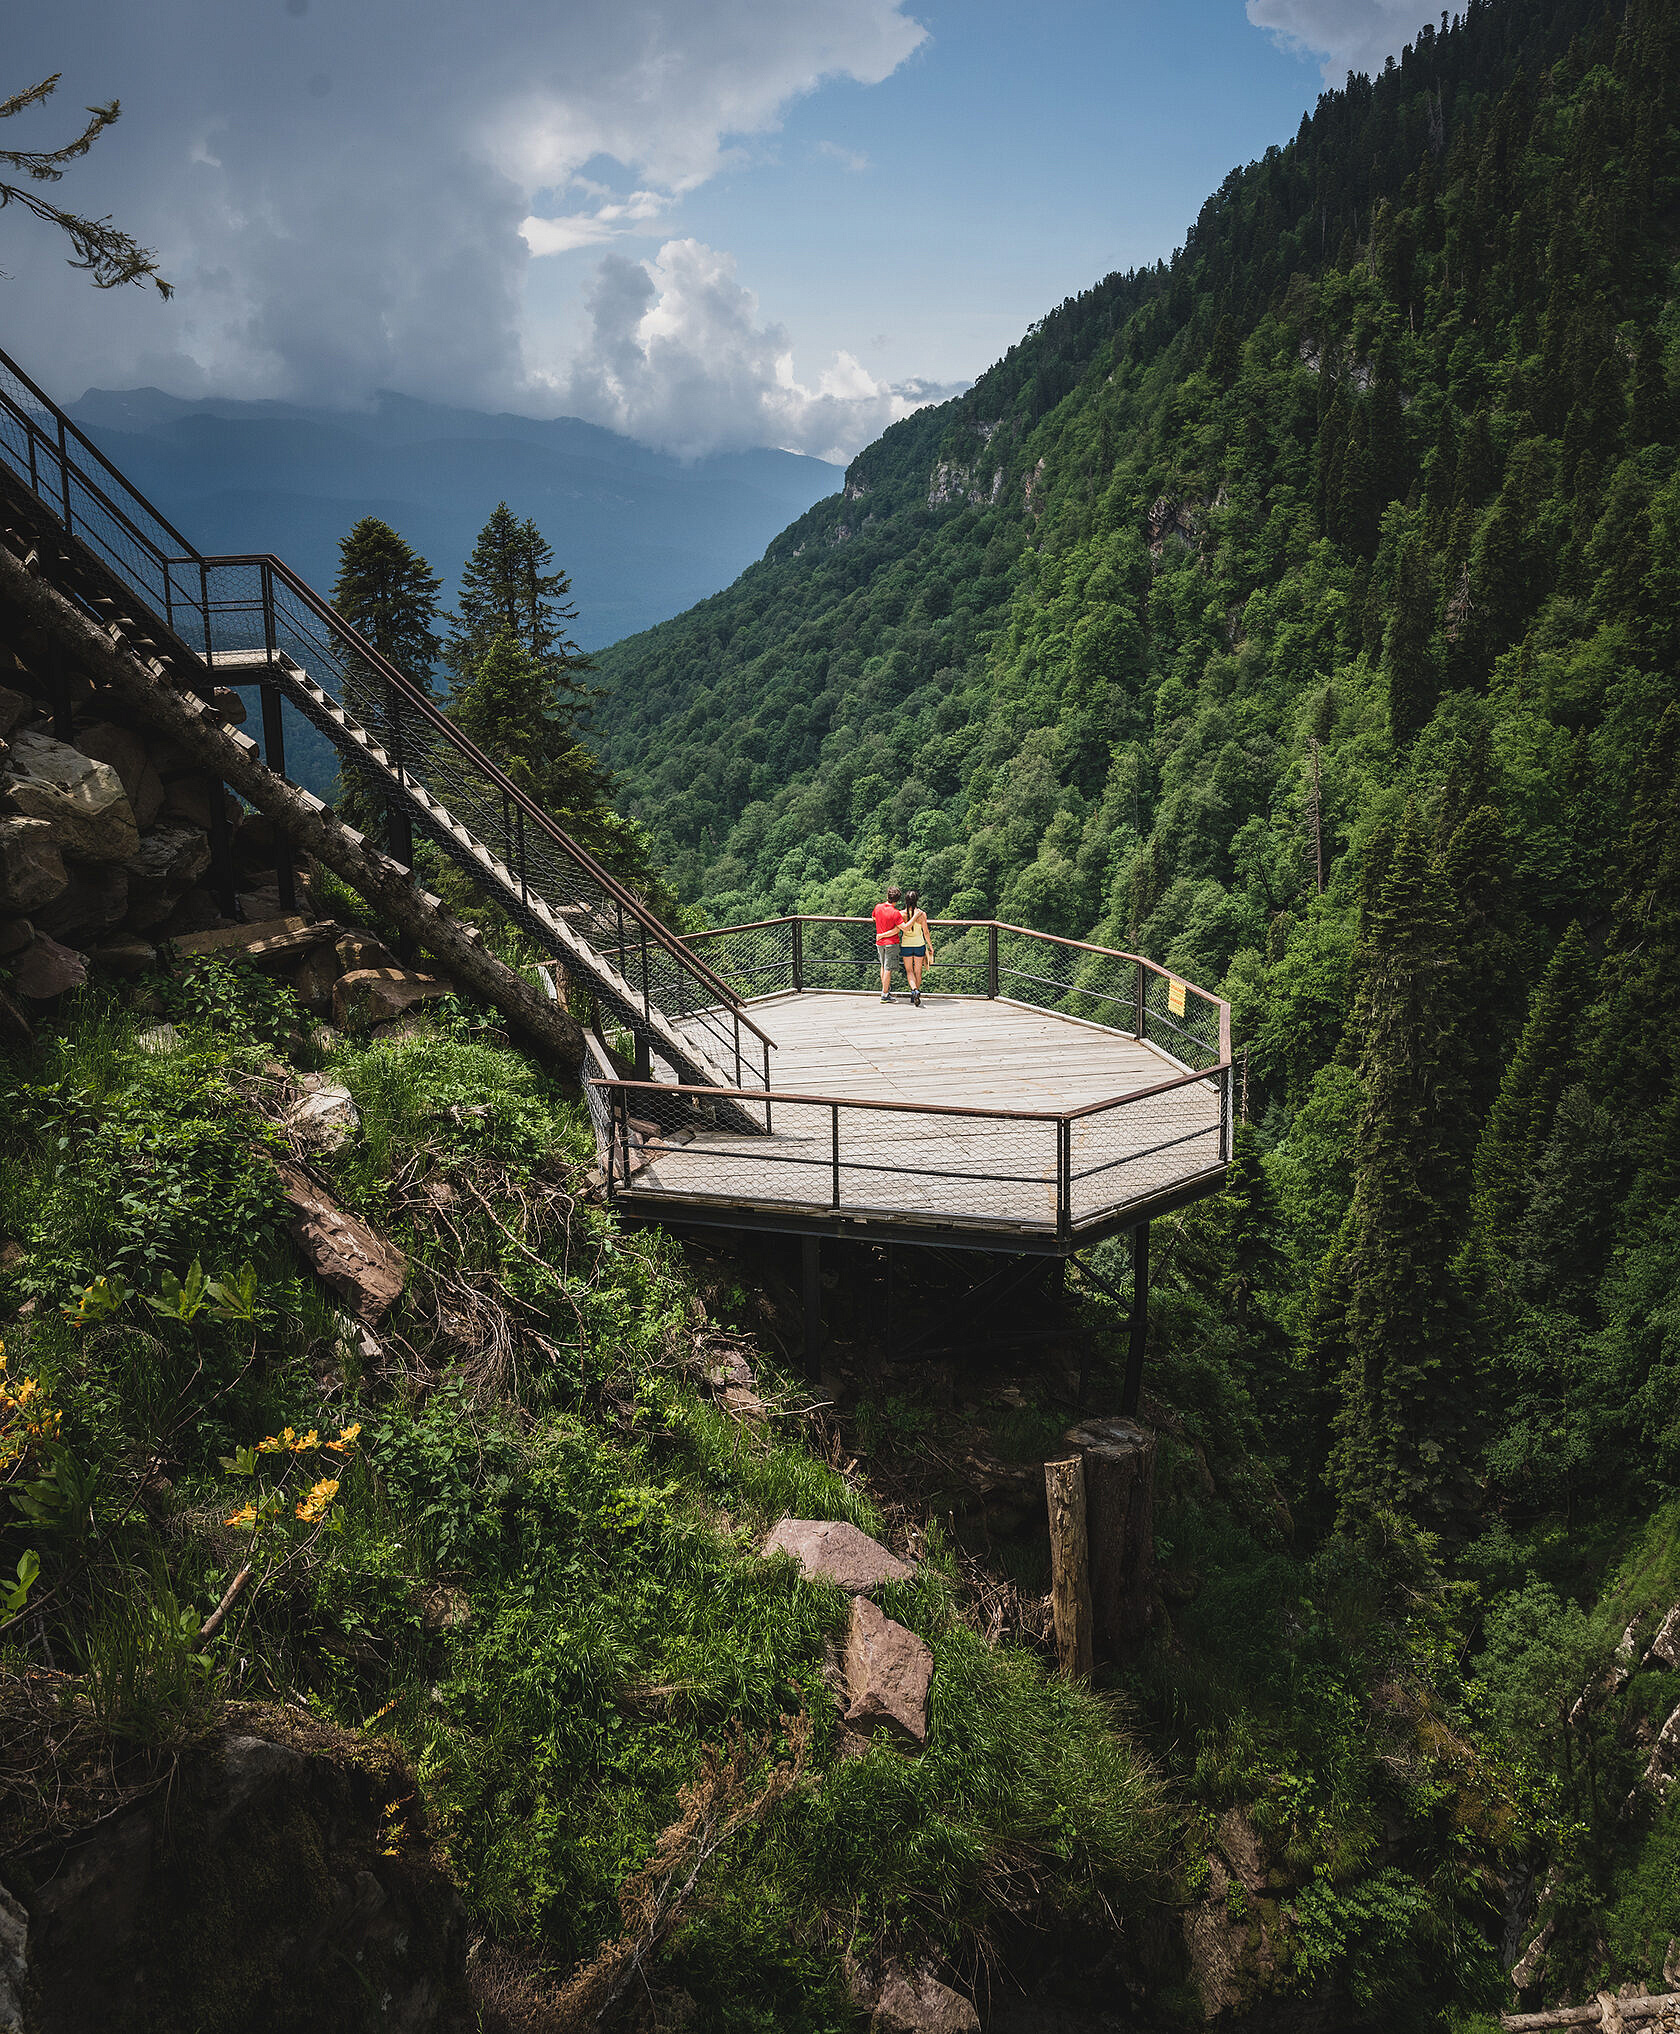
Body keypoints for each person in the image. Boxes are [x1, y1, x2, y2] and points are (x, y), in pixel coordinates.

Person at [899, 890, 933, 1005]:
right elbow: (926, 932)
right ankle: (916, 994)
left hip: (906, 945)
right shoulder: (922, 914)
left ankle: (914, 990)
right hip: (919, 944)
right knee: (918, 971)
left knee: (909, 971)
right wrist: (930, 946)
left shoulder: (901, 914)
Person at [872, 885, 904, 1001]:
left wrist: (881, 933)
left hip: (880, 943)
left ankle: (885, 990)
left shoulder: (878, 907)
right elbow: (899, 928)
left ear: (887, 896)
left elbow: (874, 918)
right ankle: (885, 994)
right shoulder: (896, 913)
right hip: (891, 943)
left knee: (883, 966)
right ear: (897, 900)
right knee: (888, 969)